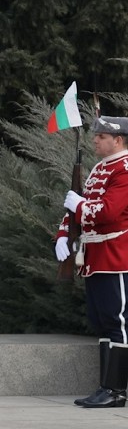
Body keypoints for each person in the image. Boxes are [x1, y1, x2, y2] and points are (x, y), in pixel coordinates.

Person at [58, 115, 128, 408]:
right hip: (94, 257)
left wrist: (80, 205)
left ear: (118, 140)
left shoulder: (124, 170)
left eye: (101, 136)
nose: (95, 140)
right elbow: (75, 204)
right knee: (101, 322)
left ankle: (116, 390)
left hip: (116, 256)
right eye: (96, 135)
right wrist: (63, 234)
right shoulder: (101, 168)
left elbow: (110, 211)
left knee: (117, 321)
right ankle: (104, 387)